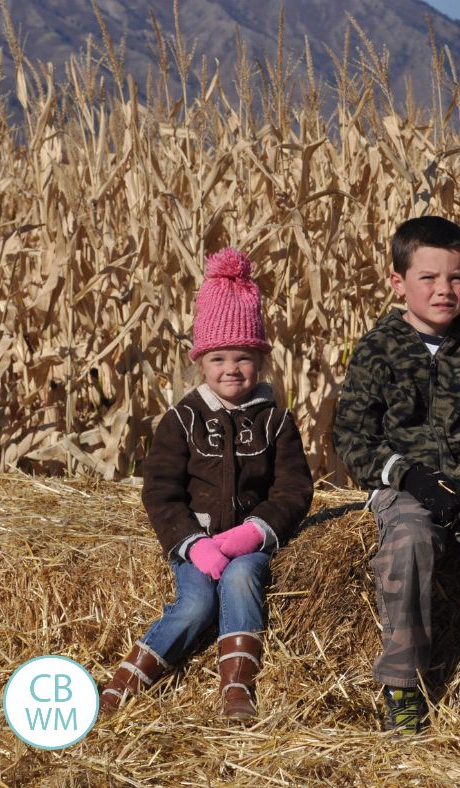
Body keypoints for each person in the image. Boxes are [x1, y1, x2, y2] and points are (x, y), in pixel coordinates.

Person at [333, 216, 460, 735]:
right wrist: (410, 478)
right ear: (398, 283)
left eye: (457, 278)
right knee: (408, 540)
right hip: (407, 487)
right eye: (428, 278)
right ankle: (403, 684)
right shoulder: (377, 349)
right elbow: (354, 438)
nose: (444, 290)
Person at [99, 248, 314, 720]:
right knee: (195, 603)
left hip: (249, 543)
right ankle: (124, 683)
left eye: (243, 357)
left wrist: (252, 533)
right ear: (201, 363)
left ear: (260, 360)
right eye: (218, 358)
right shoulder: (182, 420)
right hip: (197, 542)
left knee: (240, 579)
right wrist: (192, 545)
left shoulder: (276, 420)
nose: (231, 369)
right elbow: (160, 491)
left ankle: (237, 688)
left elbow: (295, 489)